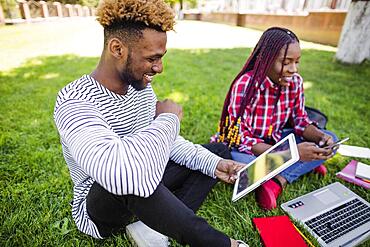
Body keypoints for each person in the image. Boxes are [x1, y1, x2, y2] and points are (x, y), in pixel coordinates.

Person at [53, 0, 249, 246]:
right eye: (152, 58)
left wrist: (214, 164)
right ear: (117, 48)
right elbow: (120, 173)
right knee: (131, 178)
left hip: (143, 178)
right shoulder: (76, 102)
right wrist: (167, 120)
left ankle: (152, 223)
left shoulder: (141, 89)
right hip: (105, 202)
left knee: (217, 151)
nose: (160, 68)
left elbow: (166, 143)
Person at [214, 27, 338, 210]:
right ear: (266, 60)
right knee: (243, 168)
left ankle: (277, 180)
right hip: (247, 149)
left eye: (297, 62)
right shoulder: (246, 85)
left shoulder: (295, 82)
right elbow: (240, 138)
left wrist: (319, 137)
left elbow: (300, 120)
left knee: (331, 139)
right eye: (286, 62)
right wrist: (290, 153)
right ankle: (302, 166)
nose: (293, 69)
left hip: (277, 139)